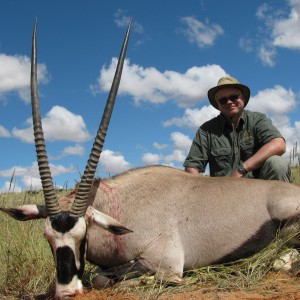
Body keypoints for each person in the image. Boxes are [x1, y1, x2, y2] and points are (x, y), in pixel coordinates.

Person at [184, 76, 291, 182]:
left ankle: (278, 198)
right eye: (223, 100)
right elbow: (192, 166)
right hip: (224, 193)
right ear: (218, 104)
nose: (229, 102)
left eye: (234, 97)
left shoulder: (258, 120)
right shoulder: (206, 130)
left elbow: (278, 145)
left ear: (243, 98)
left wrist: (241, 170)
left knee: (278, 163)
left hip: (260, 190)